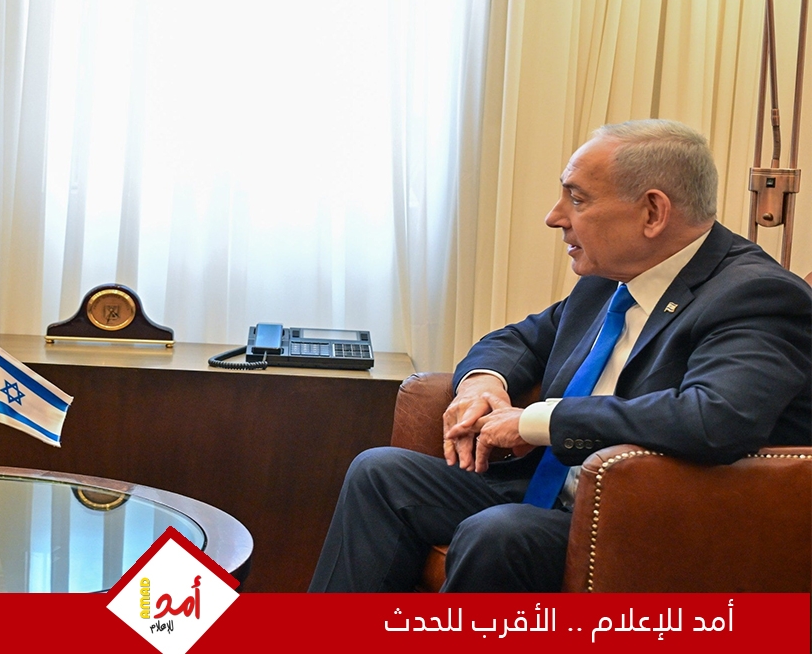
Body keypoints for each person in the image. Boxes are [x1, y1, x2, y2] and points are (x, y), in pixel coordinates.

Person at [309, 119, 812, 592]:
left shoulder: (756, 295)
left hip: (648, 519)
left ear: (652, 213)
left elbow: (715, 418)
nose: (555, 217)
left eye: (577, 199)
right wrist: (483, 382)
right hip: (550, 491)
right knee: (380, 473)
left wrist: (537, 422)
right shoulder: (609, 279)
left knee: (498, 532)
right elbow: (520, 340)